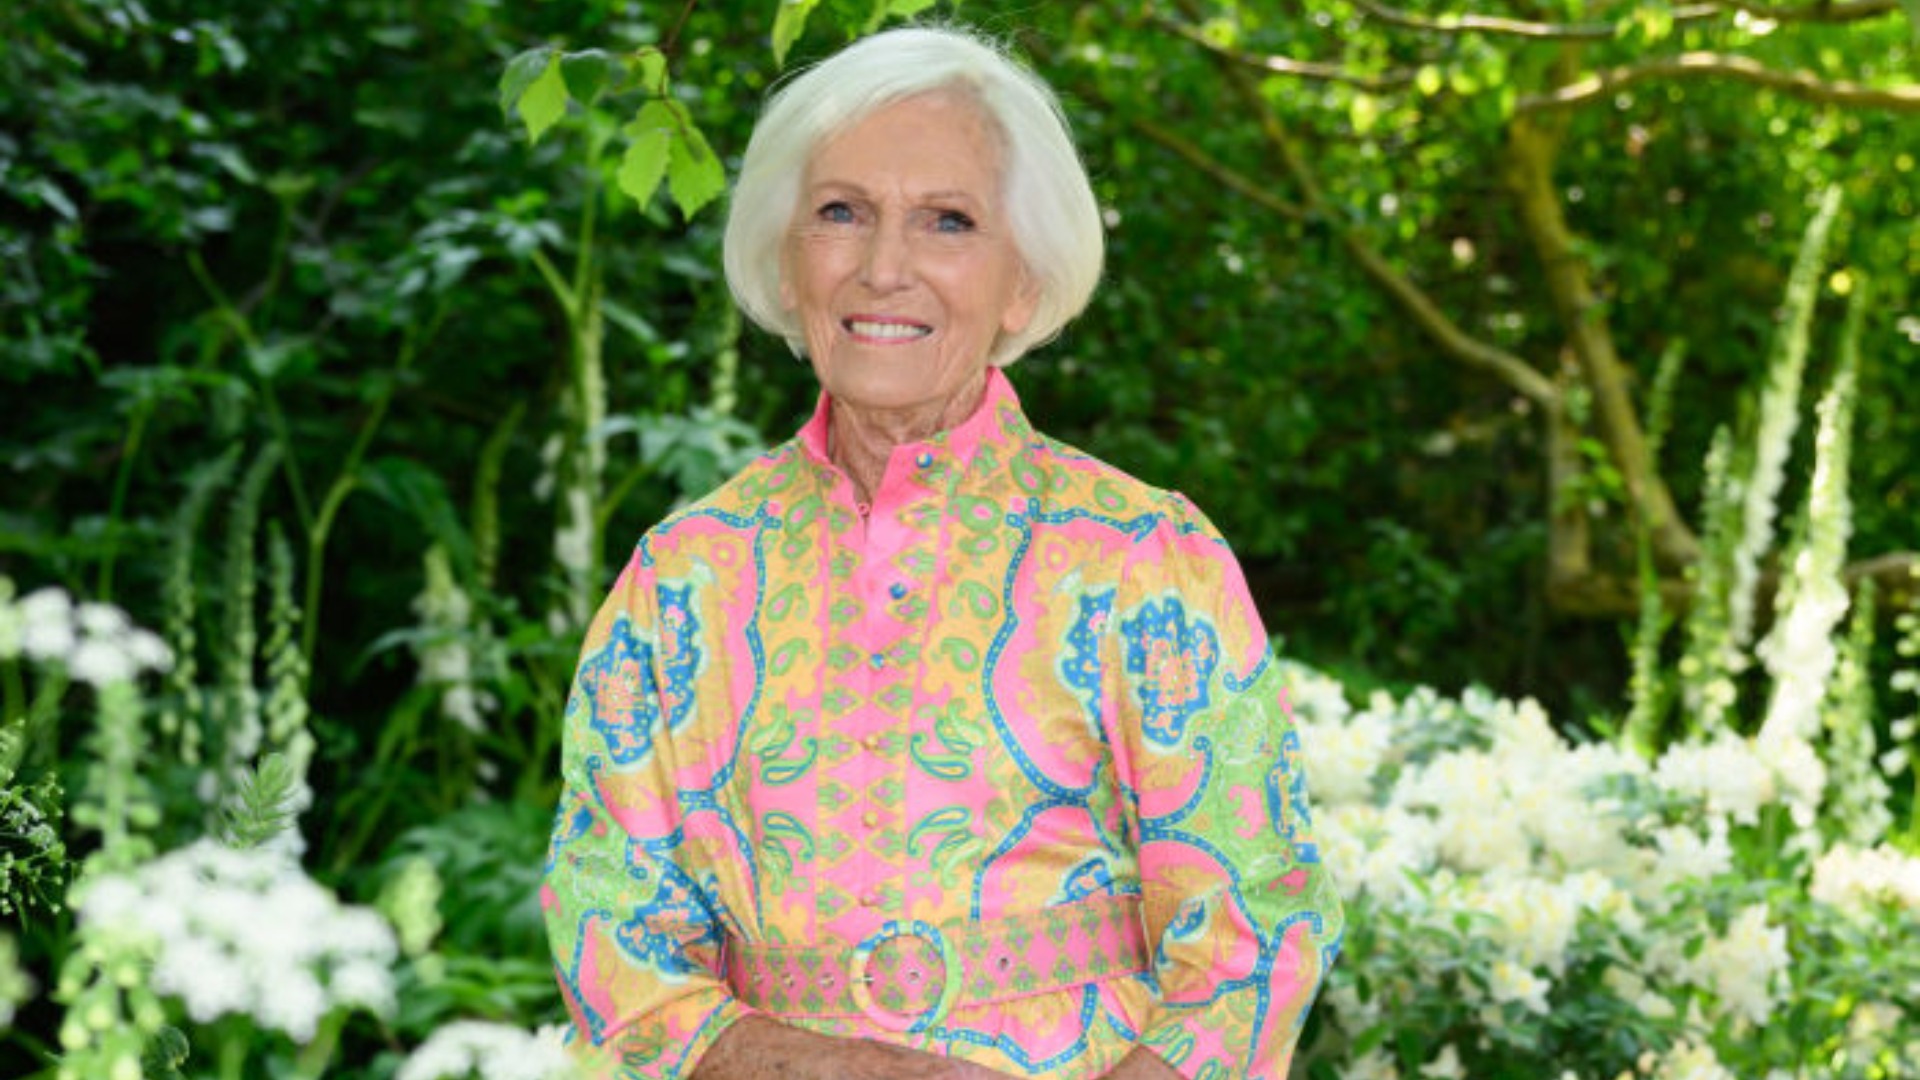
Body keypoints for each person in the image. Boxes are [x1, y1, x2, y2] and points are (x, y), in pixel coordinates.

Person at [543, 25, 1342, 1080]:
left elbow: (1258, 927)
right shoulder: (682, 578)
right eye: (840, 213)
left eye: (947, 221)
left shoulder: (1142, 556)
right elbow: (610, 928)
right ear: (788, 263)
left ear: (1024, 280)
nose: (883, 267)